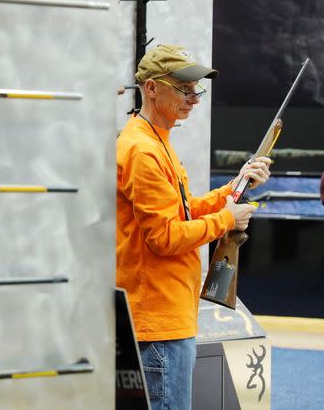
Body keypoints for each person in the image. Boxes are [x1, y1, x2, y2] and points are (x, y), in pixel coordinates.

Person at [116, 44, 271, 410]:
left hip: (166, 314)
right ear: (152, 88)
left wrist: (234, 188)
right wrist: (226, 220)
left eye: (196, 89)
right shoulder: (143, 150)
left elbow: (181, 212)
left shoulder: (155, 141)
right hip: (160, 319)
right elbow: (165, 237)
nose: (194, 99)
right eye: (184, 89)